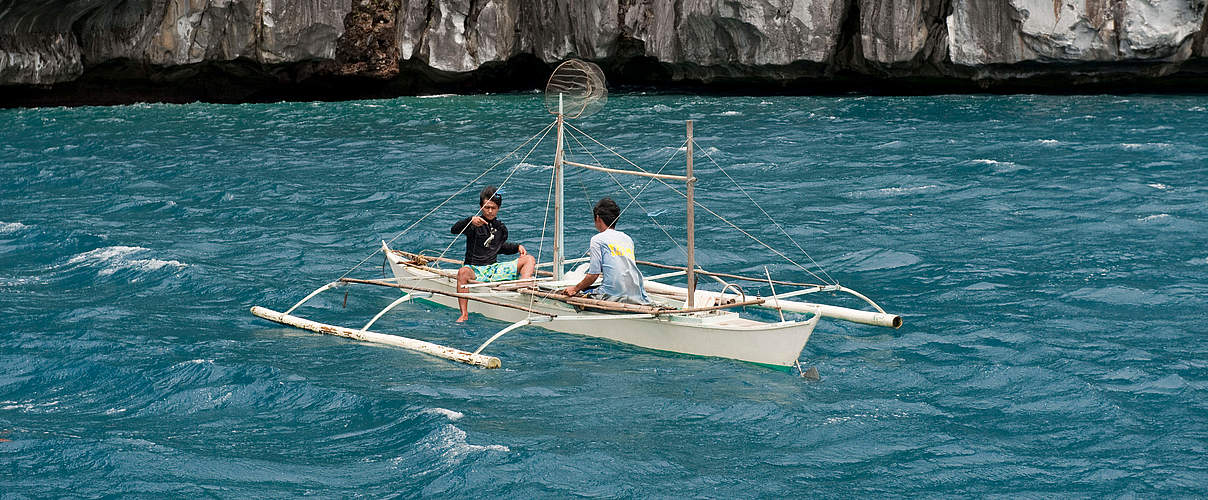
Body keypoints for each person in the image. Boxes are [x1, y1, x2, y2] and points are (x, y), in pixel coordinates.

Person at [451, 186, 535, 322]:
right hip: (475, 270)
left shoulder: (501, 228)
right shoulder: (473, 225)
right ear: (481, 207)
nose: (490, 211)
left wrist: (517, 247)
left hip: (494, 269)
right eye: (486, 207)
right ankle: (464, 314)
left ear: (498, 208)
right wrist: (469, 221)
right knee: (462, 272)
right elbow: (454, 230)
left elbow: (498, 248)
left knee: (529, 259)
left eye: (493, 208)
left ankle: (523, 286)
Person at [562, 197, 650, 305]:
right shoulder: (627, 238)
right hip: (637, 293)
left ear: (598, 218)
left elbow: (593, 275)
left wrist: (574, 288)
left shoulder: (597, 240)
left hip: (612, 294)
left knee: (580, 292)